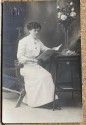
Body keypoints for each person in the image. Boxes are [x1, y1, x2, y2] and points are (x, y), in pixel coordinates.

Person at [17, 22, 58, 108]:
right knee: (41, 78)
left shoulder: (38, 41)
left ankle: (49, 101)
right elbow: (20, 57)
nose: (36, 33)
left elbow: (45, 49)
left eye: (38, 31)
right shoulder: (23, 41)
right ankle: (37, 102)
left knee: (48, 75)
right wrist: (31, 60)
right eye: (34, 30)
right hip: (26, 67)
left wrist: (53, 49)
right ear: (29, 30)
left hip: (35, 67)